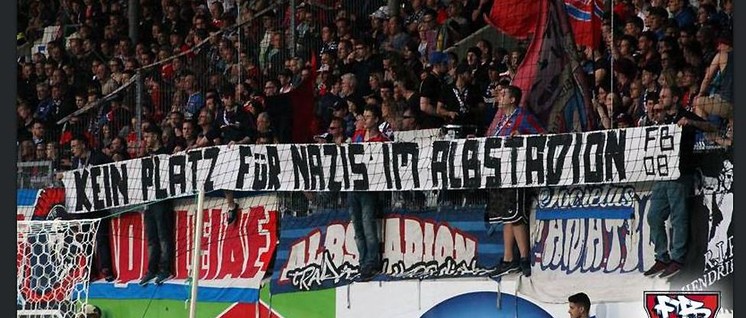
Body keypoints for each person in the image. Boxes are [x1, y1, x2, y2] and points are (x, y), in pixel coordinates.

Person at [644, 85, 712, 279]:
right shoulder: (661, 120)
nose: (660, 99)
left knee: (678, 217)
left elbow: (711, 126)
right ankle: (662, 257)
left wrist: (690, 122)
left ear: (674, 99)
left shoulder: (685, 115)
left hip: (681, 174)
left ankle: (678, 259)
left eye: (664, 96)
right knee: (654, 216)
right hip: (662, 175)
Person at [487, 86, 545, 278]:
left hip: (517, 172)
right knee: (507, 217)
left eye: (503, 94)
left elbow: (542, 135)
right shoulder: (501, 121)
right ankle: (508, 259)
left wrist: (523, 137)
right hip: (501, 173)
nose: (499, 96)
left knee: (516, 216)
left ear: (513, 99)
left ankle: (524, 259)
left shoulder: (522, 117)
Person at [348, 104, 389, 281]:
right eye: (364, 116)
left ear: (377, 119)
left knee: (368, 225)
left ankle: (372, 261)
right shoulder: (357, 136)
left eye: (369, 117)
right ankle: (363, 259)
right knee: (357, 226)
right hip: (352, 186)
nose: (365, 120)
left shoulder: (382, 141)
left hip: (369, 189)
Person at [138, 126, 175, 286]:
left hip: (162, 200)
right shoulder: (145, 156)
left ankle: (165, 270)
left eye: (147, 136)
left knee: (163, 236)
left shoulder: (166, 154)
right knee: (151, 238)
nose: (145, 139)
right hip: (149, 201)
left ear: (156, 136)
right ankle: (151, 270)